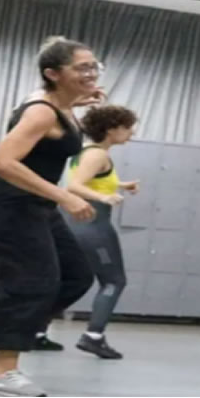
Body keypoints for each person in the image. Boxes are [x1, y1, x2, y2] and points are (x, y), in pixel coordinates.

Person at [0, 37, 113, 397]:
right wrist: (65, 195)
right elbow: (2, 162)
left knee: (76, 276)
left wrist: (77, 100)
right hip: (8, 203)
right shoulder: (42, 112)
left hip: (35, 205)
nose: (91, 73)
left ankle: (1, 334)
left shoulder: (59, 106)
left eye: (94, 66)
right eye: (82, 68)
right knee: (30, 281)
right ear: (53, 73)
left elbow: (53, 127)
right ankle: (1, 373)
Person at [66, 104, 141, 360]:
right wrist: (103, 198)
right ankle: (93, 337)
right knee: (114, 281)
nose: (131, 133)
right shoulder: (97, 155)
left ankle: (37, 331)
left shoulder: (88, 151)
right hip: (92, 225)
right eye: (127, 127)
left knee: (68, 279)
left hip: (76, 224)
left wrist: (121, 184)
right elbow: (74, 186)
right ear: (111, 129)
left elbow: (94, 179)